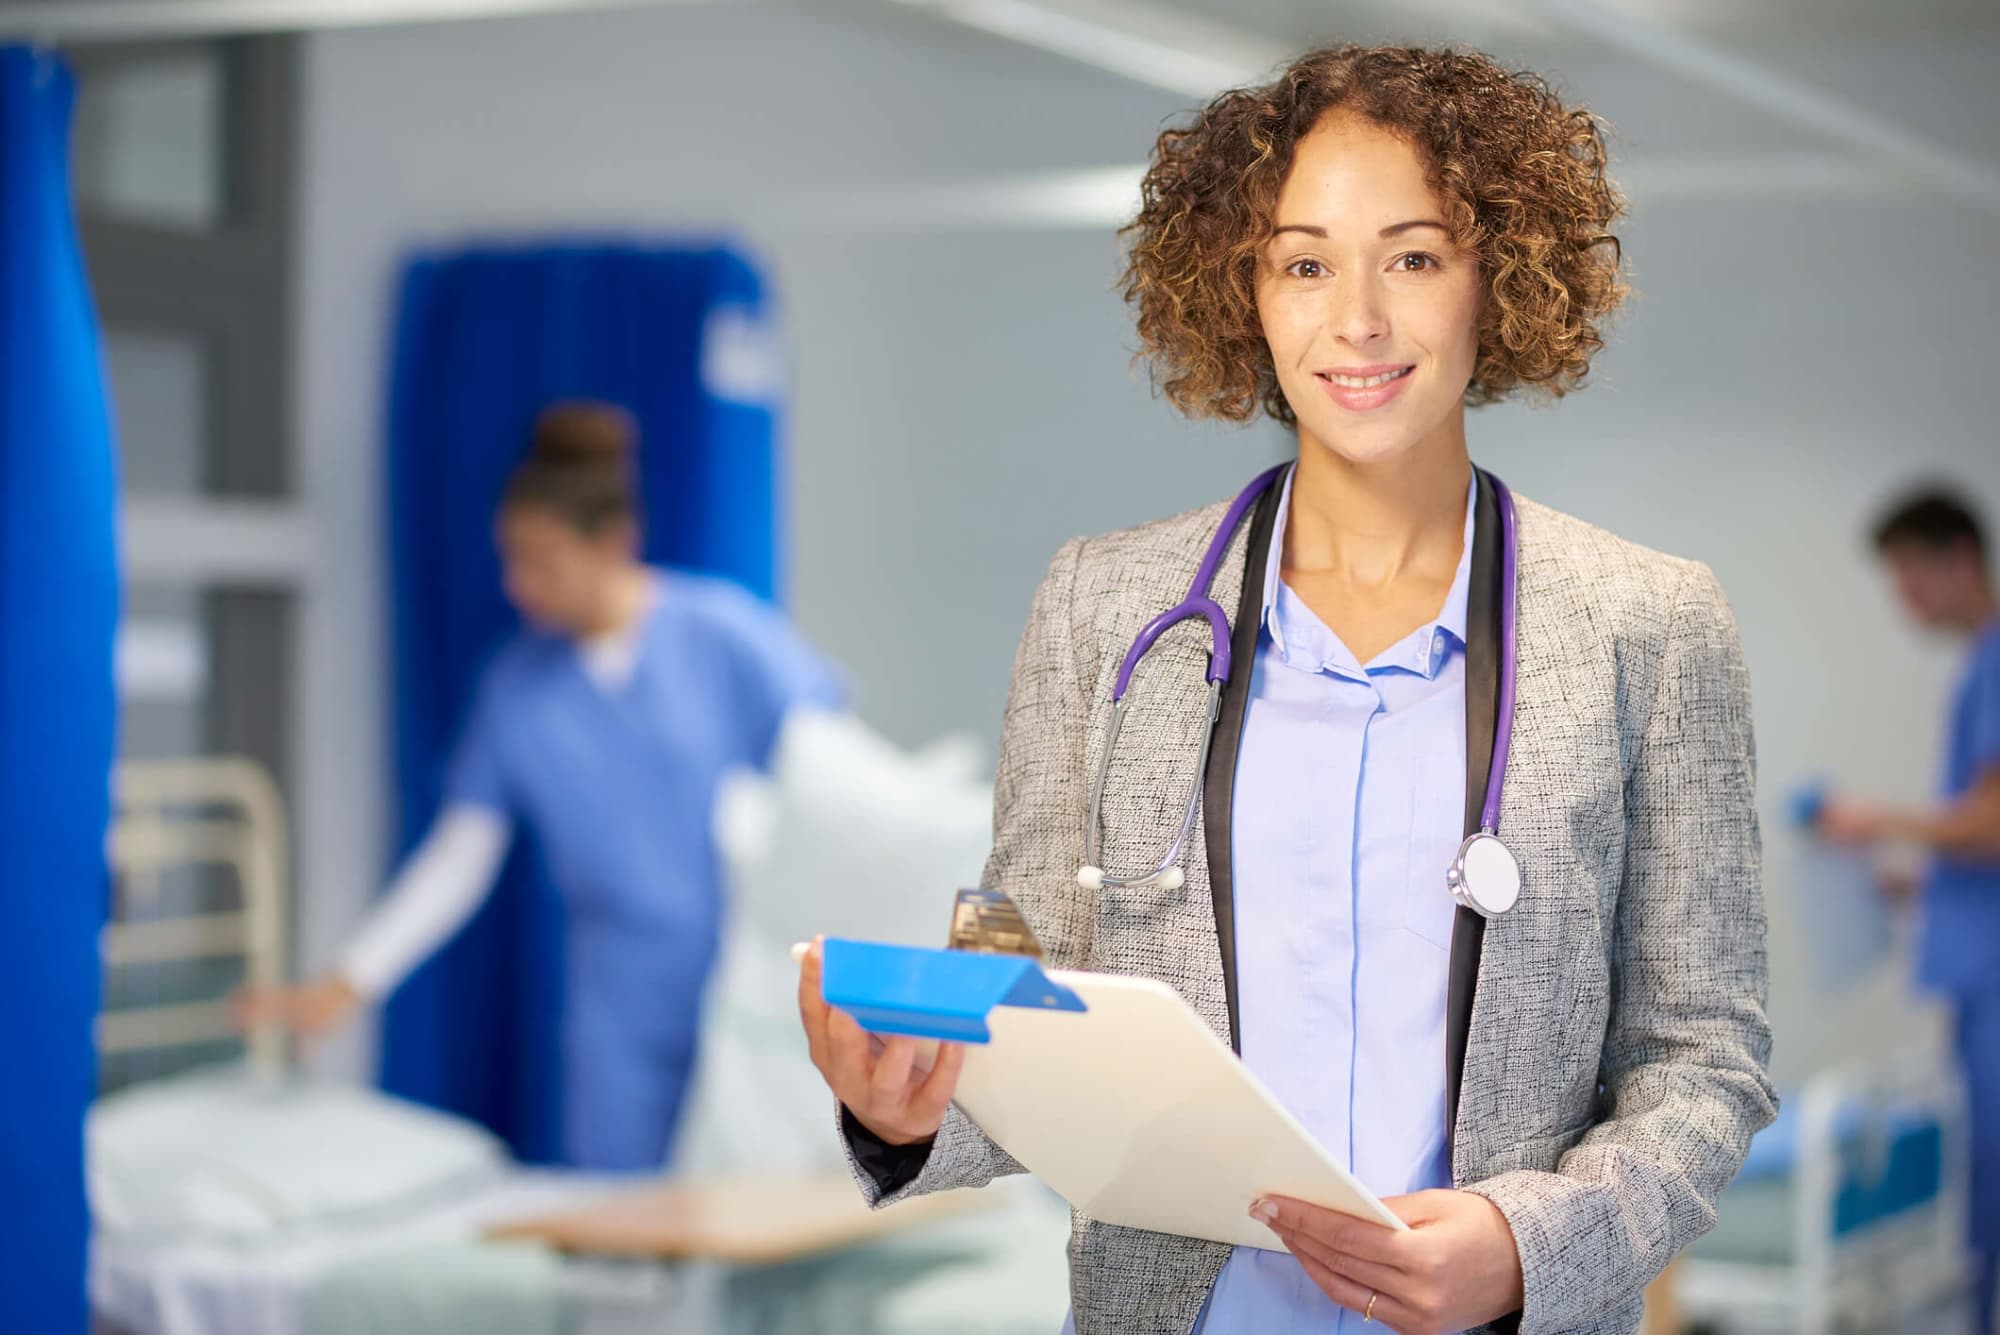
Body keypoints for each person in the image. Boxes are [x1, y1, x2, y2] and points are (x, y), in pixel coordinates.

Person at [796, 45, 1775, 1335]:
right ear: (1241, 292)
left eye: (1413, 257)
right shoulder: (1103, 609)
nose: (1355, 319)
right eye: (1303, 262)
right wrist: (909, 1108)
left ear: (1500, 278)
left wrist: (1523, 1247)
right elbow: (1032, 1009)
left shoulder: (1646, 626)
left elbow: (1702, 1062)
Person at [238, 401, 844, 1172]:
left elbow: (840, 783)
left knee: (763, 1202)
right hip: (617, 1001)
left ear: (615, 542)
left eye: (543, 561)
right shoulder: (517, 688)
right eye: (512, 560)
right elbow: (460, 857)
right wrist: (350, 978)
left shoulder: (719, 635)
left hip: (747, 976)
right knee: (621, 1219)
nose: (519, 586)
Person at [1814, 488, 2000, 1335]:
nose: (1904, 601)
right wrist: (1918, 879)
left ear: (1959, 559)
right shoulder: (1977, 667)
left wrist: (1875, 816)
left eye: (1909, 577)